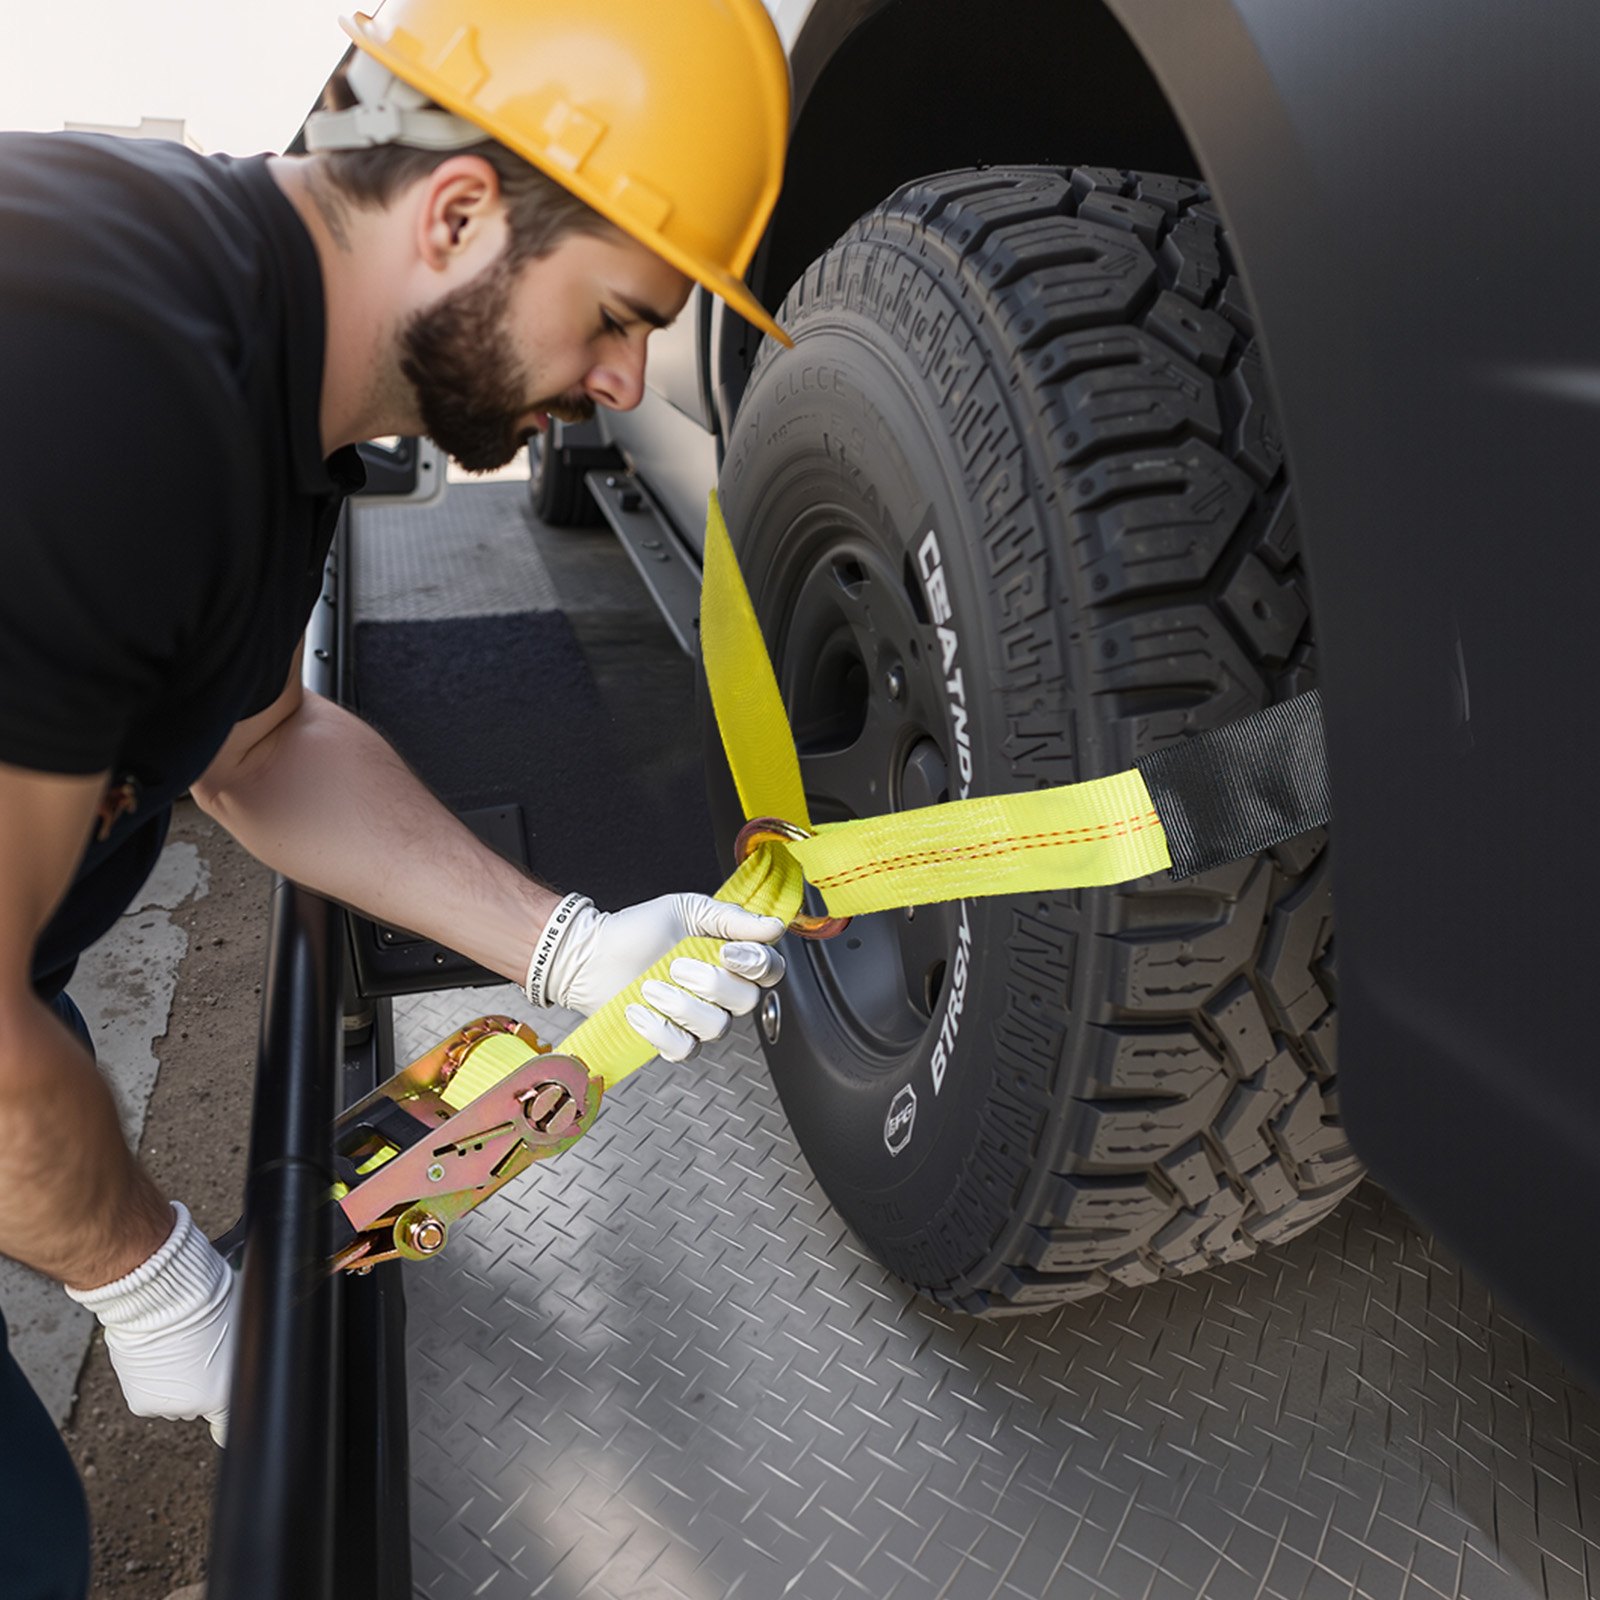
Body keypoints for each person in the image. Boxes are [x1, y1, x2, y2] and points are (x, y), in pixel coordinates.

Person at [0, 1, 793, 1593]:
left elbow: (260, 747)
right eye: (617, 317)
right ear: (459, 213)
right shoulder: (99, 385)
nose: (626, 378)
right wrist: (155, 1285)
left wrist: (564, 945)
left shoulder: (263, 381)